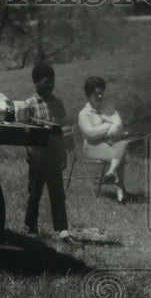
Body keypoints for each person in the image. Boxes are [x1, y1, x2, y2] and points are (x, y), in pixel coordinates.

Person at [23, 63, 72, 242]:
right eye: (46, 81)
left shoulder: (57, 103)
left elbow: (62, 130)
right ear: (36, 82)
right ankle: (31, 226)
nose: (51, 84)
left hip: (54, 152)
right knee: (35, 191)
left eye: (53, 81)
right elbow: (25, 133)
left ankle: (62, 229)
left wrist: (64, 152)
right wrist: (30, 153)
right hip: (37, 153)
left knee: (57, 191)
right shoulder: (29, 104)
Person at [78, 76, 132, 204]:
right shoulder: (84, 114)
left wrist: (106, 129)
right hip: (91, 147)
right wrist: (108, 125)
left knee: (123, 143)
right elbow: (91, 135)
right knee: (121, 154)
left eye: (102, 93)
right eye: (96, 94)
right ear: (88, 94)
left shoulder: (108, 107)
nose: (100, 96)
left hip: (108, 144)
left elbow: (119, 125)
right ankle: (120, 189)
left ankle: (111, 172)